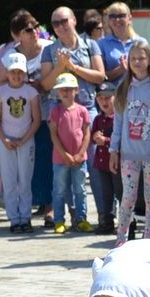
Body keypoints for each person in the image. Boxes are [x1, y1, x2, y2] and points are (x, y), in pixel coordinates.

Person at [110, 39, 150, 248]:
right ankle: (121, 240)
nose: (137, 62)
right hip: (129, 154)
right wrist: (113, 150)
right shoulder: (123, 88)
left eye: (141, 58)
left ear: (149, 60)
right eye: (133, 58)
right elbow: (118, 122)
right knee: (127, 197)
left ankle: (149, 240)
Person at [0, 10, 53, 224]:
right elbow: (0, 85)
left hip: (45, 110)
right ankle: (29, 206)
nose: (35, 31)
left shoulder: (47, 48)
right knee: (27, 166)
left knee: (46, 158)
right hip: (19, 117)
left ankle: (49, 205)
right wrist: (19, 84)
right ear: (16, 34)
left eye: (36, 25)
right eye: (28, 29)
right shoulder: (9, 56)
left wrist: (35, 85)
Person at [0, 52, 42, 233]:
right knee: (9, 179)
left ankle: (25, 217)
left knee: (25, 180)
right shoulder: (1, 92)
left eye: (20, 72)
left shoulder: (30, 92)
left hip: (26, 140)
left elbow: (36, 119)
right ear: (7, 73)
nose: (16, 76)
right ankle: (14, 218)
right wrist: (4, 138)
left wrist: (24, 138)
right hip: (6, 141)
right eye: (13, 72)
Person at [48, 73, 92, 234]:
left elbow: (86, 134)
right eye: (62, 90)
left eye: (69, 89)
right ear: (57, 92)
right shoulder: (55, 111)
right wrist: (65, 154)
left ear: (76, 90)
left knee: (80, 190)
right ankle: (59, 221)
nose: (65, 93)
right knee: (59, 190)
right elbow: (53, 134)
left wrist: (81, 153)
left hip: (80, 159)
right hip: (60, 159)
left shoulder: (82, 110)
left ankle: (81, 219)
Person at [90, 90, 118, 235]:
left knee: (119, 193)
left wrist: (105, 141)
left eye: (107, 98)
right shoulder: (97, 119)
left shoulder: (119, 118)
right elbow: (92, 136)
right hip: (101, 163)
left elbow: (121, 139)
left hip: (115, 163)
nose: (104, 102)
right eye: (100, 98)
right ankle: (107, 221)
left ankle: (123, 221)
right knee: (106, 193)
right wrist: (95, 137)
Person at [98, 2, 137, 88]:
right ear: (108, 20)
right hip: (113, 97)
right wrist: (120, 70)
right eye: (113, 16)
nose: (117, 20)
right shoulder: (101, 44)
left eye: (121, 16)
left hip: (139, 95)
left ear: (129, 18)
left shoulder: (140, 43)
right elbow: (100, 77)